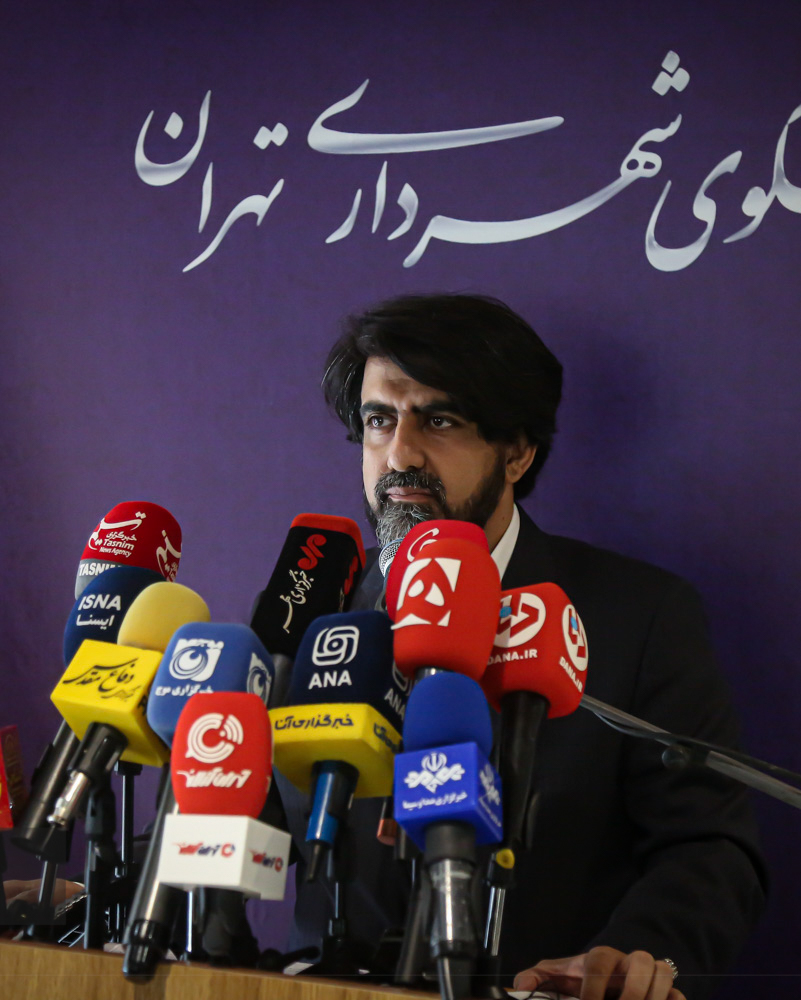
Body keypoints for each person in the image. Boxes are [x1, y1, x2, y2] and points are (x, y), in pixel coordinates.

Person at [279, 293, 767, 1000]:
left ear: (517, 452)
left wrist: (635, 957)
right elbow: (233, 811)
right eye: (379, 420)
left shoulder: (638, 617)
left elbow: (709, 848)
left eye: (439, 420)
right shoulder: (311, 617)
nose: (399, 454)